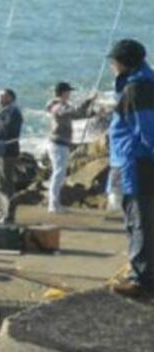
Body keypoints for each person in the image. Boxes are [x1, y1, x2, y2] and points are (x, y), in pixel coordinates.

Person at [107, 39, 154, 297]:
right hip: (134, 161)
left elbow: (148, 131)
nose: (112, 66)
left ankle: (141, 279)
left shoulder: (137, 89)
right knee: (140, 220)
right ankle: (142, 272)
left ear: (123, 63)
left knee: (139, 221)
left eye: (114, 61)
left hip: (136, 164)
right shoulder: (144, 82)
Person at [46, 82, 96, 214]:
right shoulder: (56, 106)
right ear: (63, 93)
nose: (70, 94)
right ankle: (53, 204)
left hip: (62, 144)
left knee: (60, 174)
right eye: (68, 92)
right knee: (58, 173)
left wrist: (92, 112)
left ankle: (56, 203)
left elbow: (77, 115)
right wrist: (88, 100)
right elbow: (71, 112)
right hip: (57, 144)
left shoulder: (62, 106)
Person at [0, 88, 24, 221]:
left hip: (8, 150)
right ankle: (3, 210)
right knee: (1, 181)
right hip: (0, 150)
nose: (0, 99)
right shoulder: (4, 111)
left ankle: (8, 213)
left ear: (11, 98)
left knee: (6, 182)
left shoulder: (14, 112)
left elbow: (6, 130)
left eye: (3, 96)